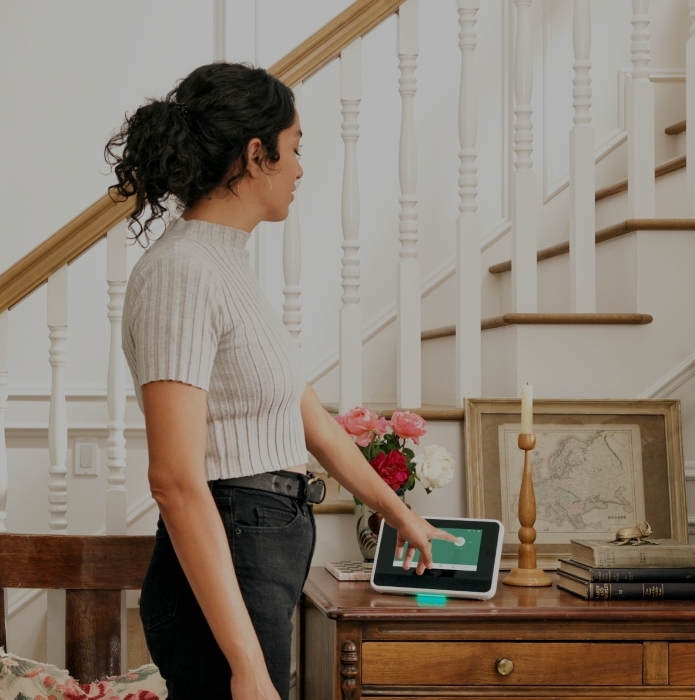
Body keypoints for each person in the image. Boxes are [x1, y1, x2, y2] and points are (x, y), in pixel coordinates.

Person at [107, 62, 453, 700]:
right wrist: (245, 664)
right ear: (254, 153)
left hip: (257, 550)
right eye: (293, 149)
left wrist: (401, 515)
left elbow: (312, 422)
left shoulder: (224, 265)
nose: (300, 168)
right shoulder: (181, 272)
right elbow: (176, 480)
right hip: (230, 554)